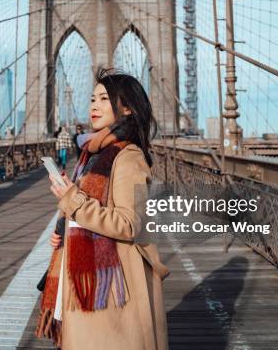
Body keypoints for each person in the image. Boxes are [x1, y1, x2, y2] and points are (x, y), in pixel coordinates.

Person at [36, 69, 170, 350]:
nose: (94, 106)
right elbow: (86, 212)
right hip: (91, 279)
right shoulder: (93, 153)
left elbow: (128, 223)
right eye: (92, 98)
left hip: (112, 289)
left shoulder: (128, 157)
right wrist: (63, 233)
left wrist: (71, 199)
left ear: (127, 109)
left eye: (104, 99)